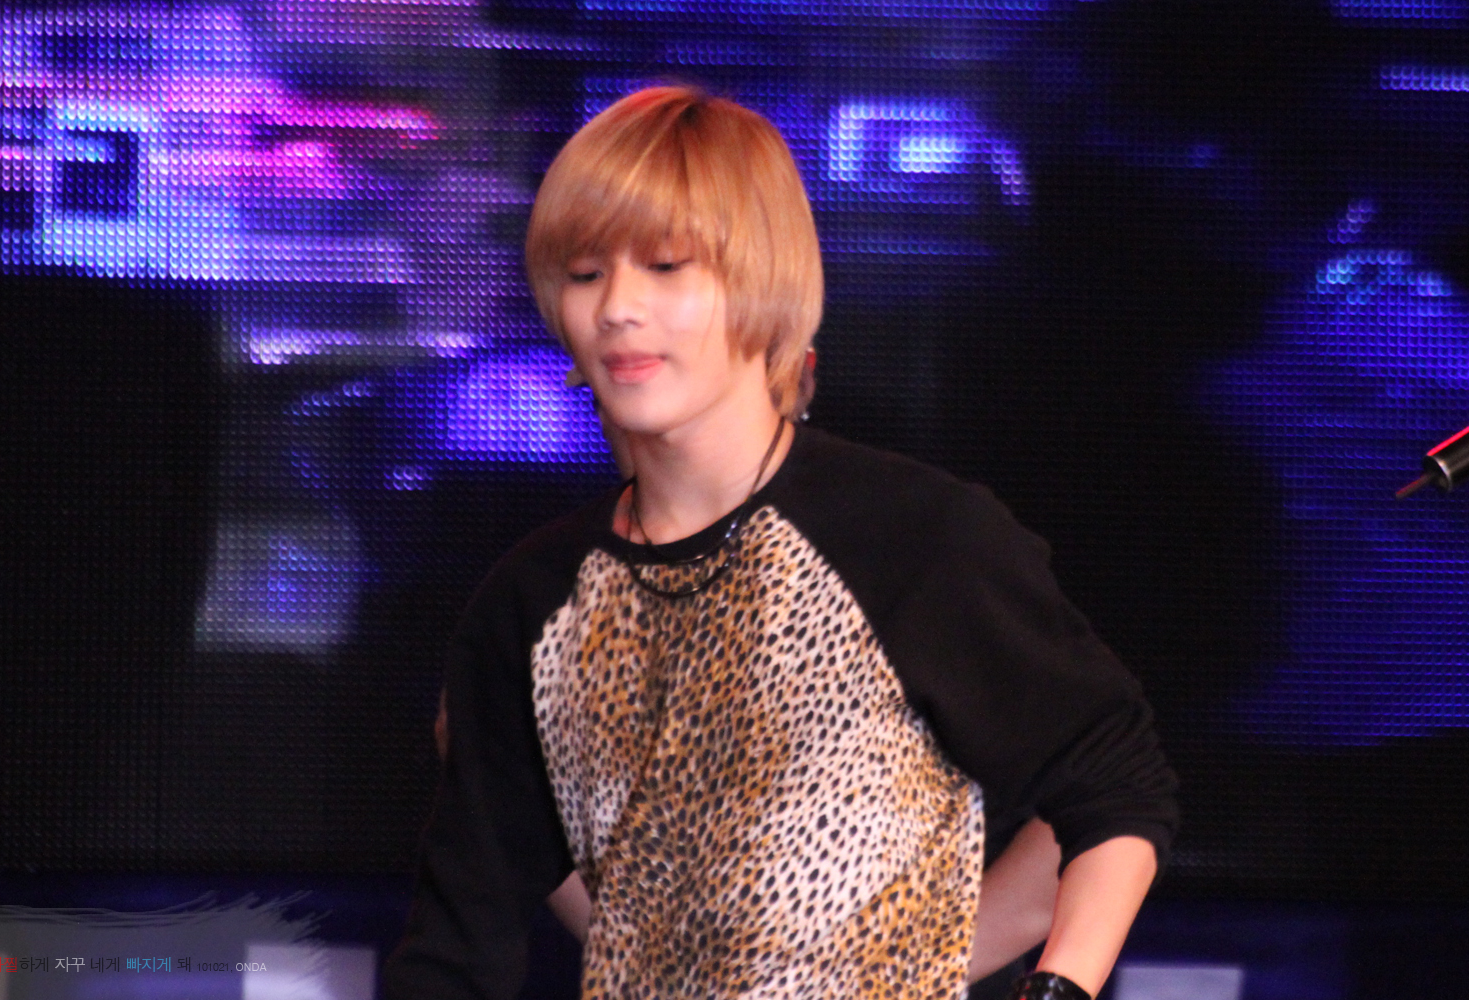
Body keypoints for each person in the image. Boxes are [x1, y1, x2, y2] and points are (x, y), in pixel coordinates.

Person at [382, 85, 1178, 1000]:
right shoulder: (531, 603)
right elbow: (458, 946)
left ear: (759, 279)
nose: (619, 308)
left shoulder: (913, 537)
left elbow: (1116, 784)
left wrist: (1009, 984)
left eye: (667, 266)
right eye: (586, 272)